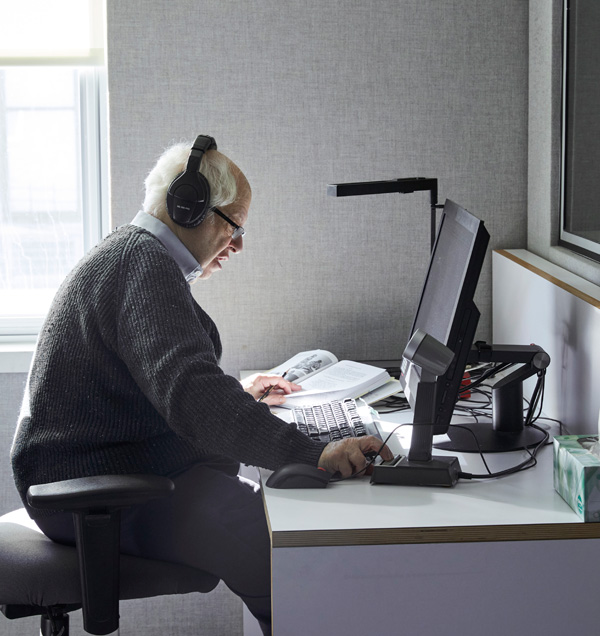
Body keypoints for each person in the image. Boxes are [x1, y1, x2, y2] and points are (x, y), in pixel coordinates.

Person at [11, 135, 392, 635]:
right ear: (188, 209)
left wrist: (242, 399)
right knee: (268, 541)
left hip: (107, 470)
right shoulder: (141, 266)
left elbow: (168, 384)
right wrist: (312, 452)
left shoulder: (138, 258)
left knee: (269, 512)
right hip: (91, 494)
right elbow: (192, 397)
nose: (236, 245)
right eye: (234, 226)